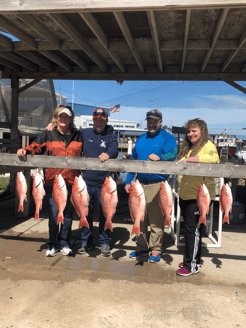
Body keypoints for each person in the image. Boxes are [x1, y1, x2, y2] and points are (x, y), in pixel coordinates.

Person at [46, 107, 118, 257]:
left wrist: (108, 153)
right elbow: (67, 132)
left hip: (104, 182)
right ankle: (86, 241)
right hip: (86, 182)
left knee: (106, 212)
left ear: (106, 120)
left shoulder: (111, 135)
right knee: (86, 212)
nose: (99, 122)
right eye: (97, 119)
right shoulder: (84, 133)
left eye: (102, 119)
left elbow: (115, 149)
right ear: (93, 120)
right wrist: (51, 126)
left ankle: (104, 241)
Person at [17, 105, 83, 257]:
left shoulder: (78, 135)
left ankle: (65, 243)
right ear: (56, 118)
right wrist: (25, 150)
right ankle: (52, 244)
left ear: (70, 119)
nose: (63, 119)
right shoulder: (48, 134)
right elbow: (36, 146)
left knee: (67, 216)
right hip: (53, 183)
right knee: (53, 215)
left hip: (71, 182)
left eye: (66, 117)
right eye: (61, 116)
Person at [125, 109, 177, 263]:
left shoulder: (167, 137)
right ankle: (141, 246)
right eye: (149, 120)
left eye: (155, 121)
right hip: (139, 184)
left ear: (160, 122)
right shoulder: (141, 138)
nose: (152, 123)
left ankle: (155, 249)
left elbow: (173, 154)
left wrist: (160, 157)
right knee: (140, 217)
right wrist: (128, 180)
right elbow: (134, 161)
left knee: (156, 219)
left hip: (157, 185)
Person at [176, 118, 219, 276]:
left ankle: (190, 266)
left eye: (194, 131)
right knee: (191, 231)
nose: (190, 134)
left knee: (192, 231)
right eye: (189, 131)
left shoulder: (209, 146)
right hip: (185, 194)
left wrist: (190, 160)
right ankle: (192, 258)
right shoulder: (188, 148)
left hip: (199, 196)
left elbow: (214, 159)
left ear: (202, 131)